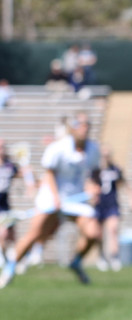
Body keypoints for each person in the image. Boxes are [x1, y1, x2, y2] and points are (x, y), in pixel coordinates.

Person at [1, 112, 102, 289]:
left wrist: (93, 186)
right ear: (72, 127)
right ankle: (10, 268)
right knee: (35, 235)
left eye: (87, 124)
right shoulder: (58, 148)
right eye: (80, 124)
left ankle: (76, 262)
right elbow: (49, 175)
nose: (84, 128)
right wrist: (55, 199)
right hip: (51, 196)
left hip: (76, 199)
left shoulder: (93, 149)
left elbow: (92, 173)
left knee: (94, 233)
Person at [94, 146, 132, 271]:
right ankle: (102, 257)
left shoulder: (115, 169)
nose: (105, 158)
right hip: (98, 205)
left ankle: (114, 257)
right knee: (98, 234)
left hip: (112, 204)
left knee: (113, 229)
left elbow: (125, 184)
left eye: (107, 155)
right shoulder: (95, 170)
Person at [0, 139, 37, 264]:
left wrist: (27, 170)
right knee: (3, 233)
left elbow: (24, 174)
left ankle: (18, 258)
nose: (2, 149)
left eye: (3, 147)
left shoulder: (9, 165)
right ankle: (3, 258)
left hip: (4, 205)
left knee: (12, 236)